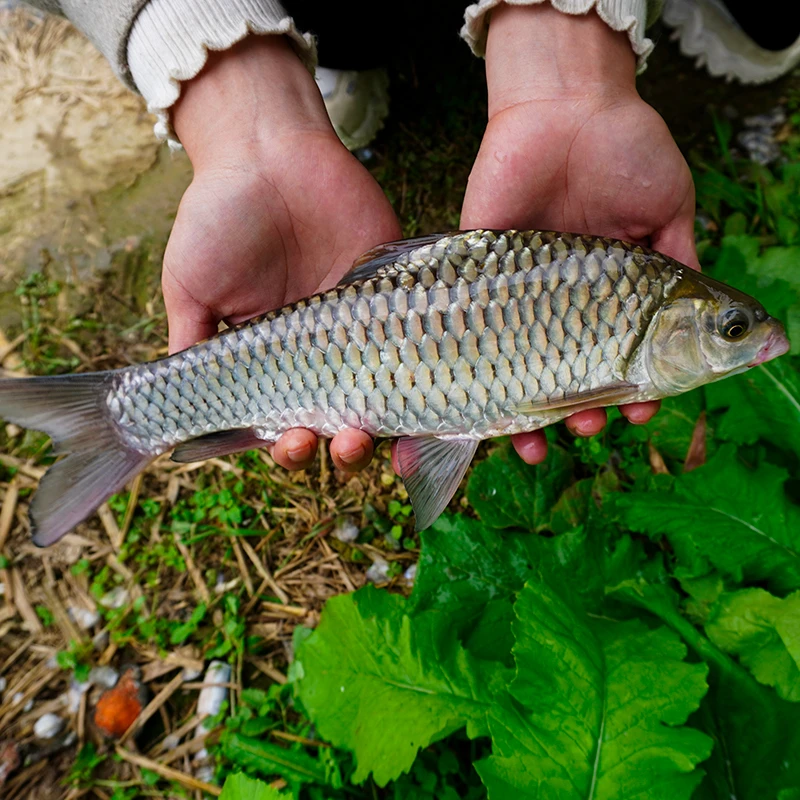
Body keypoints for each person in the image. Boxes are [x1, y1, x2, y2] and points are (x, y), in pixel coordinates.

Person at [21, 0, 800, 476]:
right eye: (731, 328)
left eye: (734, 328)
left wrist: (571, 58)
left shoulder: (622, 302)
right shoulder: (621, 300)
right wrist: (240, 116)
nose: (752, 338)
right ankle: (322, 40)